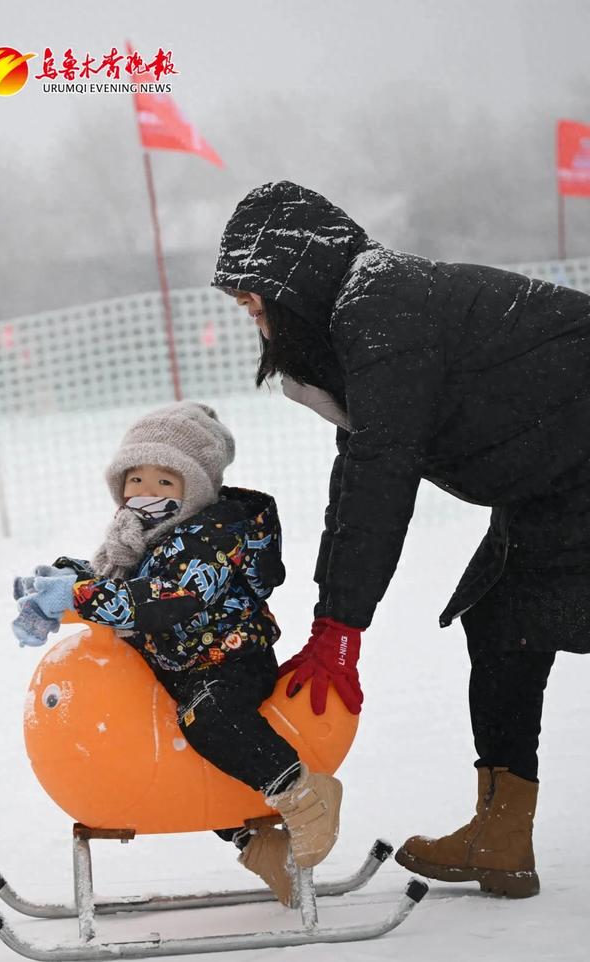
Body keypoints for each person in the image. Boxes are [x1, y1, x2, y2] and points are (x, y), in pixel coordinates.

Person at [212, 179, 590, 899]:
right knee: (505, 618)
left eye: (251, 289)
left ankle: (502, 832)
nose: (245, 307)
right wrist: (330, 616)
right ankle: (502, 833)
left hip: (572, 460)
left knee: (527, 617)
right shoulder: (358, 321)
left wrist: (343, 631)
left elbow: (386, 476)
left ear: (292, 272)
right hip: (552, 476)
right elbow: (356, 477)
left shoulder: (382, 308)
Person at [12, 401, 342, 906]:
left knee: (207, 720)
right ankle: (255, 842)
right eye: (135, 480)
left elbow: (161, 600)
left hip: (229, 662)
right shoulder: (145, 534)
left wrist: (78, 597)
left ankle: (302, 793)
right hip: (180, 665)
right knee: (179, 749)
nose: (145, 494)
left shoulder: (211, 537)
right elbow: (122, 581)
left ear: (196, 489)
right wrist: (65, 577)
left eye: (165, 483)